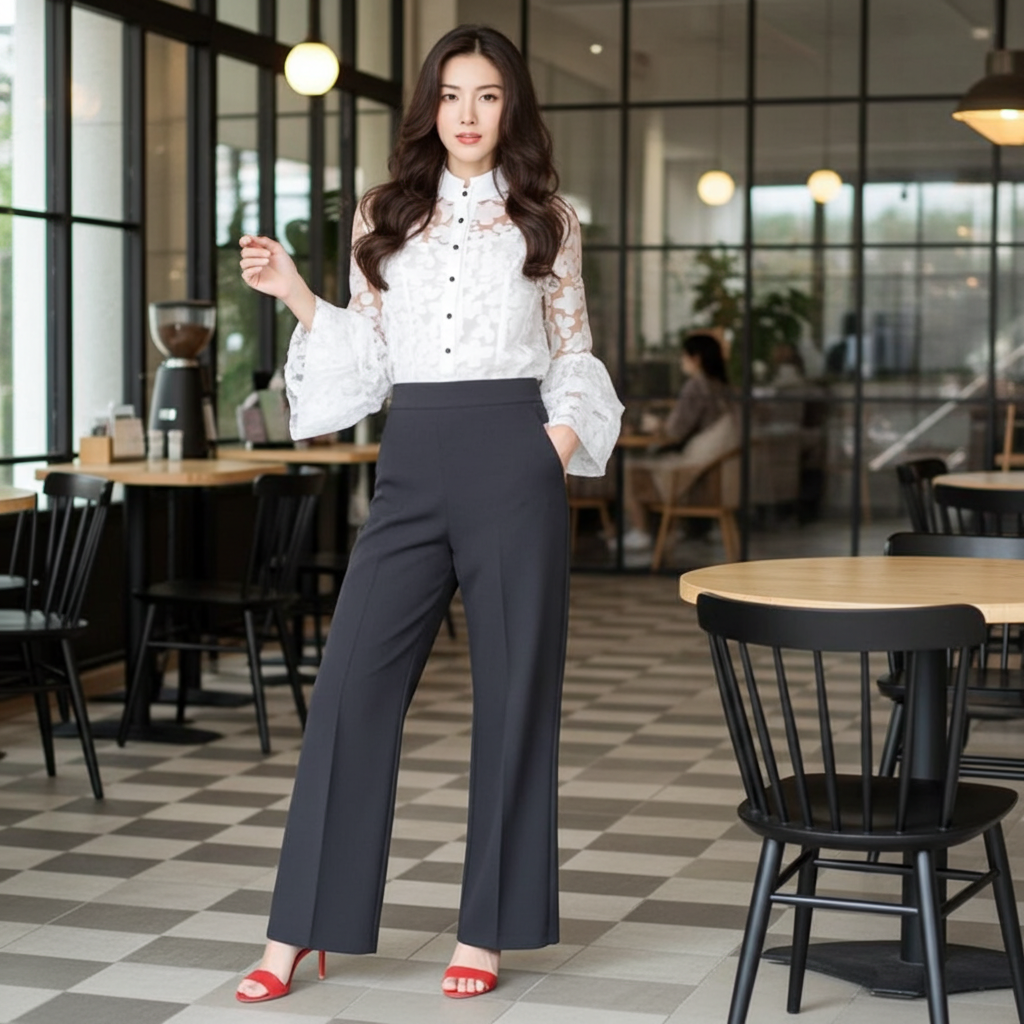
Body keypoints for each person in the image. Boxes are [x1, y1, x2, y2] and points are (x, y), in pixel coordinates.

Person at [234, 24, 623, 1003]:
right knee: (350, 693)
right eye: (451, 94)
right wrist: (294, 293)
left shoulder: (549, 219)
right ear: (428, 106)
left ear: (511, 108)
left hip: (514, 454)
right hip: (412, 460)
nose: (467, 115)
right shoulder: (385, 213)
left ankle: (486, 930)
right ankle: (297, 932)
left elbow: (574, 349)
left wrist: (555, 446)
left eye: (487, 96)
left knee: (512, 698)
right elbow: (366, 359)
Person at [622, 332, 737, 551]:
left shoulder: (697, 386)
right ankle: (679, 531)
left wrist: (654, 425)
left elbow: (676, 431)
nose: (681, 360)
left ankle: (641, 531)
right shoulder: (722, 387)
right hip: (713, 469)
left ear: (696, 358)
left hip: (694, 469)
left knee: (629, 469)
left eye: (684, 355)